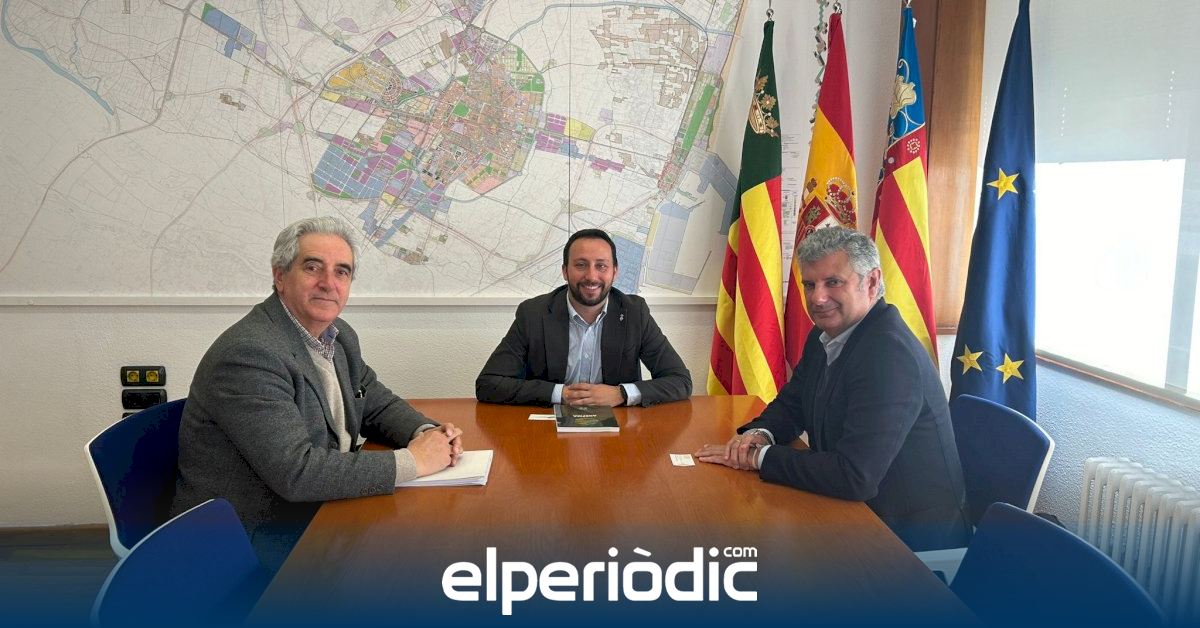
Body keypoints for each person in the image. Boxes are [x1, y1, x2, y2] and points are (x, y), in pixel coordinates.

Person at [172, 217, 464, 569]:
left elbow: (373, 400)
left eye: (342, 272)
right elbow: (297, 473)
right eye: (313, 267)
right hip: (252, 541)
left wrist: (427, 434)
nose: (328, 283)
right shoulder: (249, 354)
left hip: (318, 512)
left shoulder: (337, 335)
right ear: (280, 276)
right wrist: (414, 461)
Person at [696, 226, 970, 552]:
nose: (817, 298)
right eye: (809, 285)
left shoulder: (889, 355)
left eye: (833, 282)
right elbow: (793, 404)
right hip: (851, 513)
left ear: (871, 282)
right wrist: (760, 434)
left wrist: (758, 458)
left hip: (908, 539)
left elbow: (854, 476)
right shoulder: (826, 335)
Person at [476, 228, 692, 407]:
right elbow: (488, 384)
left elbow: (680, 381)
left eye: (601, 266)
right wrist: (560, 394)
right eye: (581, 265)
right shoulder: (533, 313)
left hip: (619, 430)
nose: (591, 276)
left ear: (615, 272)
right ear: (565, 271)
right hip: (547, 428)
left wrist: (621, 394)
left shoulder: (635, 313)